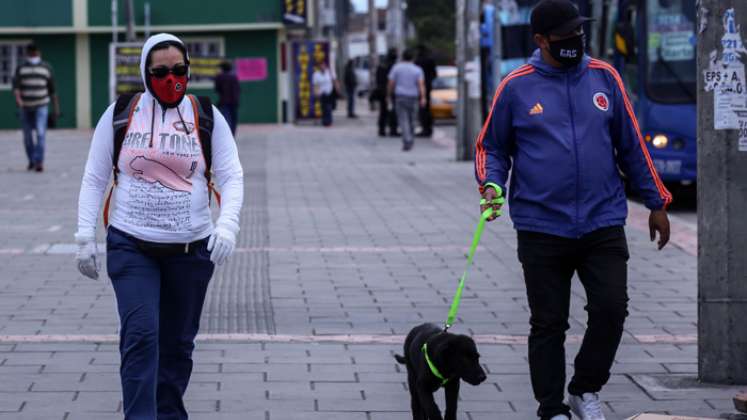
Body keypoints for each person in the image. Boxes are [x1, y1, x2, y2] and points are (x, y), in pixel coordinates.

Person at [474, 1, 672, 419]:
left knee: (611, 308)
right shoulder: (516, 86)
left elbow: (632, 144)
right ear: (541, 41)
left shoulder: (604, 77)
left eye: (577, 34)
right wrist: (492, 184)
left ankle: (585, 389)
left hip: (602, 222)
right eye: (564, 37)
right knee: (548, 323)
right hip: (541, 226)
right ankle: (551, 408)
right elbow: (492, 146)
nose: (574, 42)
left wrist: (656, 202)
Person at [74, 33, 244, 420]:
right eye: (161, 72)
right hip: (132, 246)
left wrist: (228, 226)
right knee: (141, 336)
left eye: (180, 70)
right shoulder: (121, 113)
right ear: (146, 73)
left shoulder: (206, 116)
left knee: (177, 345)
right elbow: (94, 177)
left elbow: (232, 176)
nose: (172, 79)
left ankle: (169, 414)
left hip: (190, 252)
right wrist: (84, 236)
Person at [12, 43, 59, 172]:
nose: (33, 55)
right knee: (27, 136)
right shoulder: (21, 68)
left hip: (41, 105)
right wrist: (18, 100)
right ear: (28, 54)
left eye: (35, 53)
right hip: (25, 106)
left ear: (39, 53)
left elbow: (52, 91)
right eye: (31, 53)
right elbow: (16, 87)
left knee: (40, 132)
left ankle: (39, 161)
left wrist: (56, 109)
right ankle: (32, 160)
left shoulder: (46, 67)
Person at [388, 49, 426, 151]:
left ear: (402, 57)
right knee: (412, 120)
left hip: (400, 97)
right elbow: (420, 84)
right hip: (413, 97)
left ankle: (407, 140)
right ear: (412, 58)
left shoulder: (396, 68)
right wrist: (423, 97)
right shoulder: (417, 69)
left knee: (403, 120)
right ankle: (411, 139)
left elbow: (391, 83)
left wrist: (389, 94)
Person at [374, 49, 399, 137]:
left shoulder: (381, 65)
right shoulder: (394, 66)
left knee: (383, 111)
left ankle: (382, 130)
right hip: (391, 91)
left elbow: (377, 79)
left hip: (381, 91)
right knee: (392, 111)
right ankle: (393, 130)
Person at [414, 44, 437, 137]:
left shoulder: (417, 61)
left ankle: (425, 128)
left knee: (422, 109)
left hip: (420, 87)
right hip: (428, 86)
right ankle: (428, 128)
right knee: (427, 108)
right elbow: (435, 74)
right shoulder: (430, 60)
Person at [214, 60, 240, 135]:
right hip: (234, 102)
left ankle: (226, 136)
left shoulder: (219, 77)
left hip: (223, 102)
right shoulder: (234, 77)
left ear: (222, 68)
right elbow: (237, 89)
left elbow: (217, 89)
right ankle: (232, 135)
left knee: (225, 119)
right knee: (233, 120)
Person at [312, 61, 338, 127]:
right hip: (322, 93)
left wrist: (337, 88)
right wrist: (316, 92)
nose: (322, 67)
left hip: (330, 92)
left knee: (329, 107)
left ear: (325, 66)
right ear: (319, 67)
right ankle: (325, 121)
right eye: (321, 66)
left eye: (323, 66)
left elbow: (334, 81)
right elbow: (315, 85)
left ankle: (329, 122)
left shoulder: (330, 72)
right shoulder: (316, 74)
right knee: (323, 108)